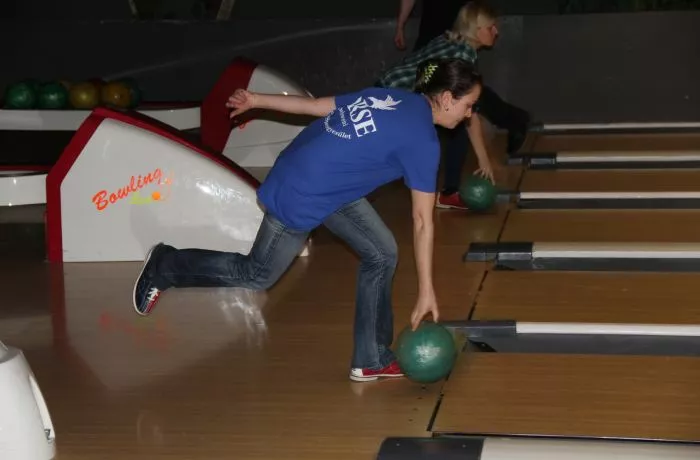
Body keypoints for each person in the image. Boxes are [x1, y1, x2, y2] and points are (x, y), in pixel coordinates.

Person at [132, 58, 483, 382]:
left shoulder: (391, 97)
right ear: (447, 98)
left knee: (381, 253)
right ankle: (165, 265)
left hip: (315, 174)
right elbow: (422, 221)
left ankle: (371, 358)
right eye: (468, 105)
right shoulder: (423, 141)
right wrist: (426, 290)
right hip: (302, 192)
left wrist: (257, 99)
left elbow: (317, 106)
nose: (469, 115)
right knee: (256, 273)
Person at [382, 0, 530, 210]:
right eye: (491, 27)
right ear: (476, 30)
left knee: (454, 124)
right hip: (393, 98)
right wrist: (484, 161)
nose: (496, 32)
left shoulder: (450, 40)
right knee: (458, 124)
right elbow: (470, 116)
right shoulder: (462, 56)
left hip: (393, 91)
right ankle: (447, 192)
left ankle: (448, 192)